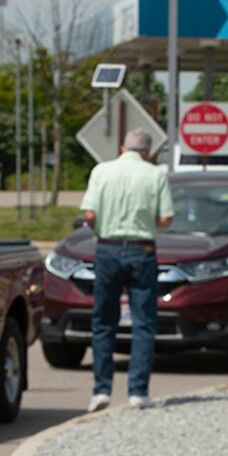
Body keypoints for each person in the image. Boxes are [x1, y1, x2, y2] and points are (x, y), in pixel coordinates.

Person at [80, 128, 172, 412]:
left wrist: (101, 229)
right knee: (143, 322)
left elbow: (90, 214)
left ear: (122, 148)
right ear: (148, 152)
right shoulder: (155, 175)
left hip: (107, 249)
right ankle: (138, 391)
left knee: (103, 320)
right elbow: (166, 218)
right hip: (141, 250)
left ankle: (101, 389)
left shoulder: (101, 171)